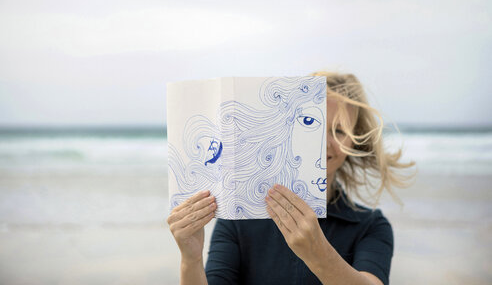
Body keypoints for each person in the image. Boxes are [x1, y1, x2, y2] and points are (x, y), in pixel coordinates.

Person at [166, 71, 415, 285]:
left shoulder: (370, 226)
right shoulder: (239, 219)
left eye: (338, 131)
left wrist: (318, 253)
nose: (322, 142)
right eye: (310, 123)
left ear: (355, 141)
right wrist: (191, 259)